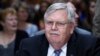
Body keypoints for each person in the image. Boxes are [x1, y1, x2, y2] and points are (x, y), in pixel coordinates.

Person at [16, 3, 100, 56]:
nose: (53, 27)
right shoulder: (28, 46)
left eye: (60, 23)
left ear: (71, 28)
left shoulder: (89, 46)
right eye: (49, 22)